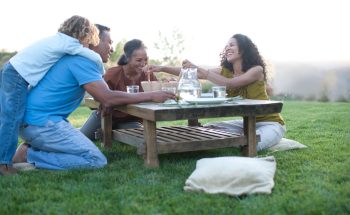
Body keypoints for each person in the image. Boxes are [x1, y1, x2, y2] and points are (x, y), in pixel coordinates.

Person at [11, 24, 175, 171]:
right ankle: (29, 155)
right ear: (94, 41)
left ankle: (32, 149)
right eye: (109, 42)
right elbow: (107, 98)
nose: (112, 48)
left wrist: (108, 100)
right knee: (95, 160)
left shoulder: (78, 60)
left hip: (36, 122)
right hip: (42, 123)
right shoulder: (82, 61)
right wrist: (153, 95)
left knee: (85, 146)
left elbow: (105, 97)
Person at [0, 15, 103, 175]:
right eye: (89, 41)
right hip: (16, 76)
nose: (88, 45)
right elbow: (89, 55)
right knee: (11, 119)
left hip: (13, 72)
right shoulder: (69, 44)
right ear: (83, 34)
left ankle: (15, 157)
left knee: (10, 118)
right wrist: (99, 65)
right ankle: (4, 164)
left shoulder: (58, 41)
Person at [148, 34, 285, 151]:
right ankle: (239, 137)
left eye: (232, 45)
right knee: (207, 129)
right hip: (246, 121)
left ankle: (252, 138)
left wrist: (204, 72)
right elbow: (191, 72)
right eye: (226, 46)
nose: (227, 48)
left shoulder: (256, 70)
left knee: (251, 145)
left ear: (243, 49)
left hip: (270, 123)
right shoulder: (225, 71)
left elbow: (229, 83)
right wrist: (162, 68)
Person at [81, 39, 158, 140]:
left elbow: (156, 94)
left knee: (144, 138)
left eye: (145, 60)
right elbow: (101, 97)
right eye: (139, 60)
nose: (143, 64)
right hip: (106, 117)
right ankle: (103, 130)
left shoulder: (148, 75)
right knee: (81, 138)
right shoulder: (113, 74)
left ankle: (109, 132)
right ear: (127, 58)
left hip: (131, 120)